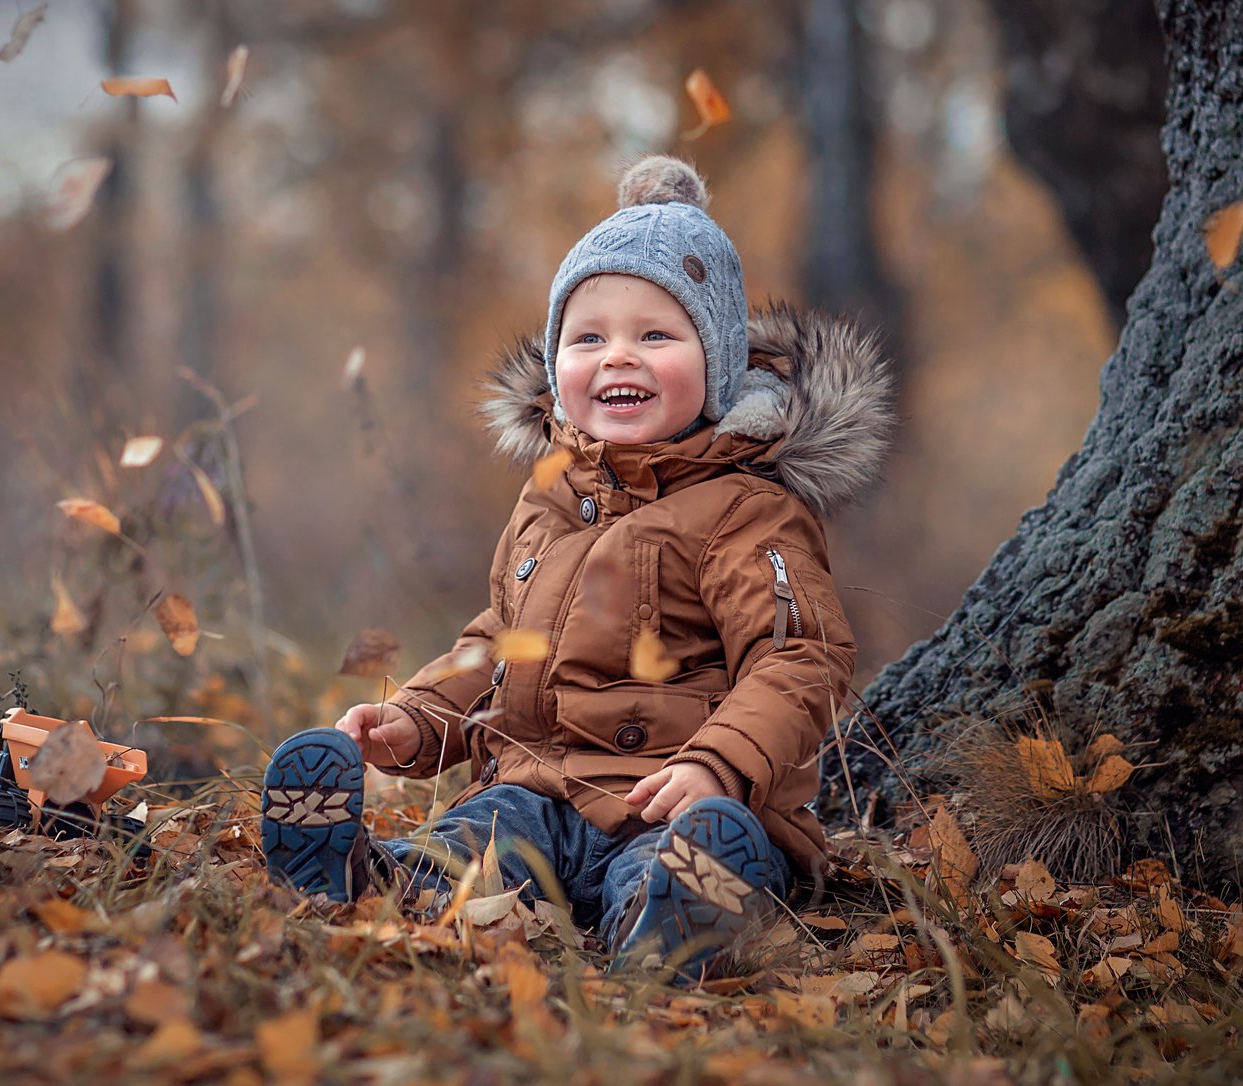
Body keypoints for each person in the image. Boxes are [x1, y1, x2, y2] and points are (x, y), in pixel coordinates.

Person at [260, 155, 896, 976]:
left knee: (685, 858)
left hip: (670, 801)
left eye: (656, 335)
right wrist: (418, 718)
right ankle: (368, 876)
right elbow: (499, 643)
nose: (617, 357)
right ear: (557, 368)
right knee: (479, 849)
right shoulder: (549, 499)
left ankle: (677, 916)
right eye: (587, 337)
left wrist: (718, 762)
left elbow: (798, 656)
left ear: (718, 362)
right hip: (541, 792)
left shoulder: (746, 508)